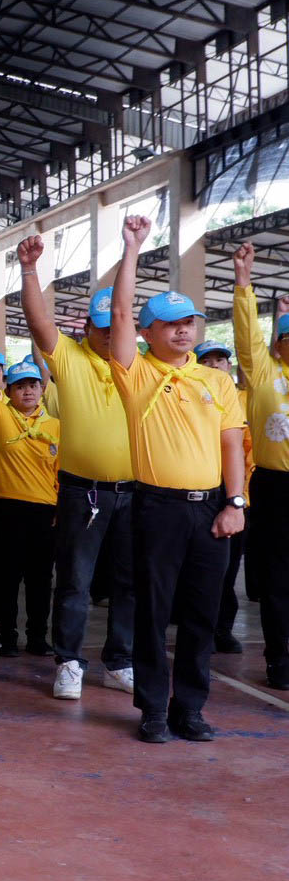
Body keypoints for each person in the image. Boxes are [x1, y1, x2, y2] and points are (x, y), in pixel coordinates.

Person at [108, 216, 247, 743]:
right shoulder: (135, 372)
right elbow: (120, 312)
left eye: (188, 321)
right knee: (153, 610)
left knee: (201, 612)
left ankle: (189, 708)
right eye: (169, 324)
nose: (183, 330)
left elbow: (231, 443)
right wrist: (132, 248)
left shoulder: (216, 380)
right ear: (147, 333)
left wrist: (235, 503)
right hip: (157, 509)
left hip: (210, 507)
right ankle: (152, 709)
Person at [18, 235, 138, 700]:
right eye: (101, 328)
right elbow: (38, 321)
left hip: (135, 492)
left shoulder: (139, 365)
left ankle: (120, 661)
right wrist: (30, 270)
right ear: (86, 327)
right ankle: (68, 662)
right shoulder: (69, 359)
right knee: (74, 581)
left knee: (129, 581)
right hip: (81, 492)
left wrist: (131, 250)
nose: (109, 335)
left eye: (116, 327)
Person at [0, 332, 60, 660]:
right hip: (5, 508)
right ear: (9, 391)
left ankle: (37, 637)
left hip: (44, 512)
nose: (27, 391)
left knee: (40, 579)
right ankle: (7, 637)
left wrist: (60, 509)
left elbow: (60, 472)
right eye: (19, 386)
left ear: (42, 389)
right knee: (6, 576)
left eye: (33, 385)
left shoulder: (56, 427)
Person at [230, 245, 288, 688]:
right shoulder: (265, 374)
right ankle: (280, 659)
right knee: (277, 577)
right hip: (275, 487)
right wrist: (244, 283)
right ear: (279, 344)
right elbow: (247, 337)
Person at [193, 339, 251, 657]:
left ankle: (222, 629)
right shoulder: (188, 396)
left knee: (227, 567)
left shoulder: (244, 399)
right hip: (198, 491)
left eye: (220, 360)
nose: (214, 365)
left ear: (229, 365)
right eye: (207, 360)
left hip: (235, 494)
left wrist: (239, 497)